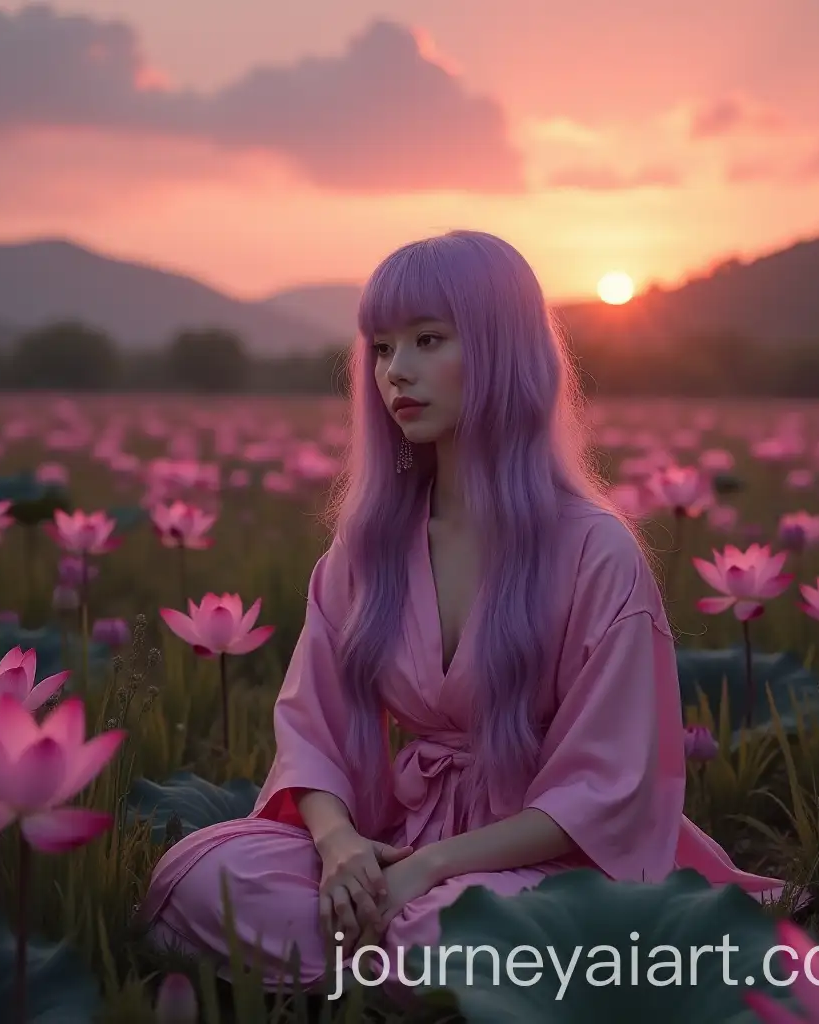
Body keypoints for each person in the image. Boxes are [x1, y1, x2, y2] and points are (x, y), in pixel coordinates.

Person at [134, 229, 783, 997]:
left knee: (465, 927)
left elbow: (608, 790)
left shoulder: (596, 552)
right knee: (197, 873)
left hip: (546, 868)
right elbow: (311, 727)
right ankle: (411, 973)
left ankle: (385, 968)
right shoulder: (369, 544)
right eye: (380, 347)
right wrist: (342, 846)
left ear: (503, 350)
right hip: (395, 841)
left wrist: (433, 867)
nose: (396, 372)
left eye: (428, 340)